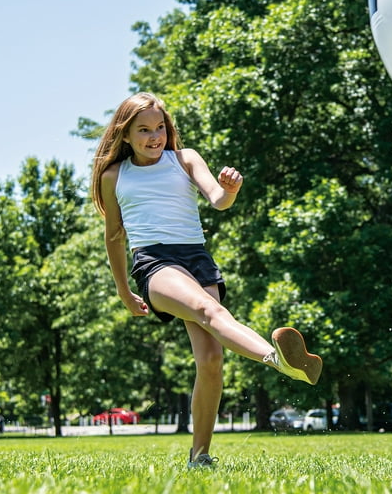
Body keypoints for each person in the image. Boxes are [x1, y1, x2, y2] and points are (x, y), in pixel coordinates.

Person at [91, 92, 322, 468]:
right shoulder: (114, 175)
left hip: (196, 257)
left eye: (160, 128)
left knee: (212, 359)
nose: (154, 137)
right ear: (126, 134)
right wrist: (124, 291)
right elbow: (114, 236)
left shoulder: (185, 159)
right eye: (144, 130)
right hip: (154, 261)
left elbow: (217, 199)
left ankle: (199, 456)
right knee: (207, 308)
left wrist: (228, 190)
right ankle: (278, 360)